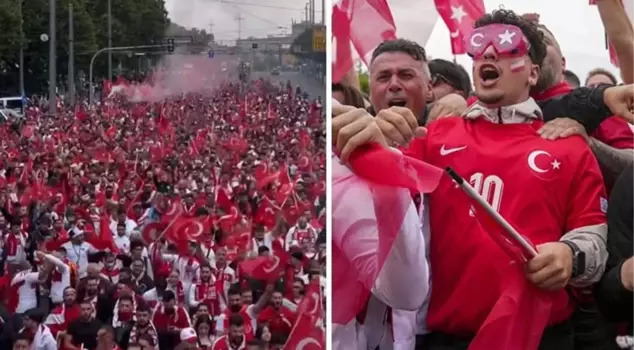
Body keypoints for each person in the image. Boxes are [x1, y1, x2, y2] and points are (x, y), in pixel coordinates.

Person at [333, 10, 609, 350]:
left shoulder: (568, 145)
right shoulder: (432, 137)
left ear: (533, 72)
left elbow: (594, 237)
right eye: (479, 45)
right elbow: (375, 192)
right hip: (448, 338)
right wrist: (368, 136)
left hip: (539, 336)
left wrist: (569, 254)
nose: (489, 53)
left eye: (508, 46)